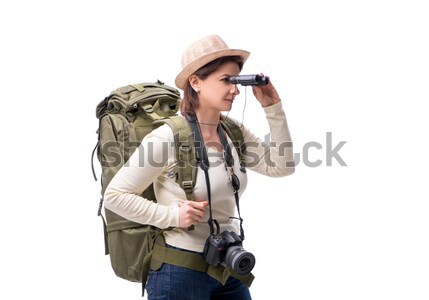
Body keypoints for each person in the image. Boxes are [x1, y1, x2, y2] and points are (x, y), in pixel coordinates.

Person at [104, 34, 295, 300]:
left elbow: (282, 166)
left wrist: (272, 107)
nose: (235, 89)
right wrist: (172, 216)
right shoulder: (167, 137)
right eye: (226, 80)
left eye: (237, 80)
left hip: (228, 268)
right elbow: (115, 197)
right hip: (179, 273)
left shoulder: (232, 131)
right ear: (195, 82)